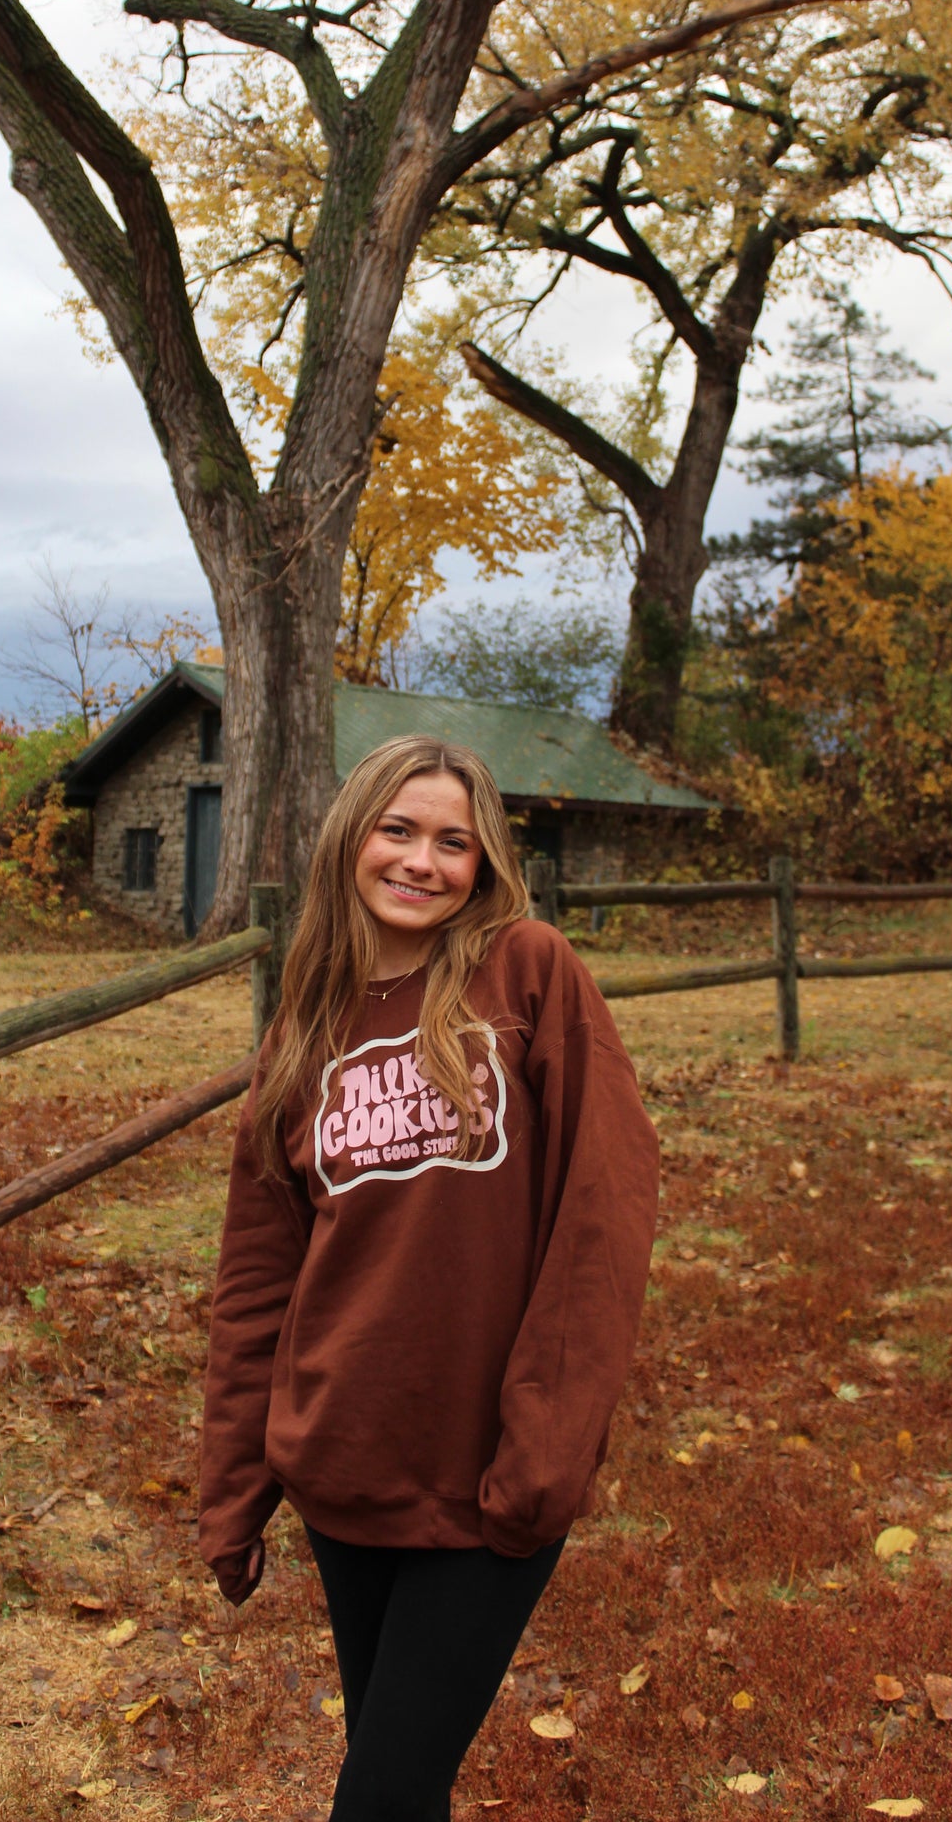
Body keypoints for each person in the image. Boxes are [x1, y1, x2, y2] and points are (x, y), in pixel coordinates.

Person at [199, 736, 659, 1822]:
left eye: (453, 840)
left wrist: (547, 1441)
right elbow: (257, 1274)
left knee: (382, 1794)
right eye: (396, 829)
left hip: (489, 1472)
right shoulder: (303, 1026)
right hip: (342, 1461)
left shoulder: (528, 973)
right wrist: (233, 1484)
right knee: (397, 1780)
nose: (421, 859)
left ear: (484, 859)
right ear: (349, 839)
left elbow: (604, 1212)